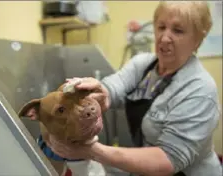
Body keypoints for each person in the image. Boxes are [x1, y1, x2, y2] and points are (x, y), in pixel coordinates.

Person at [46, 1, 222, 176]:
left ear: (198, 38)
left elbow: (167, 160)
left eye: (178, 30)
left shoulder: (200, 89)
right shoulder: (143, 65)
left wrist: (90, 151)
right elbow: (114, 87)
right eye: (161, 27)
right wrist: (99, 94)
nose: (164, 37)